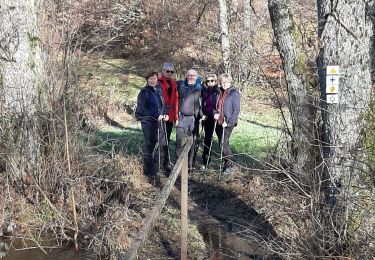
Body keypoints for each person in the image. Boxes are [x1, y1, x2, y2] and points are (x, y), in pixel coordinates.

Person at [135, 71, 169, 182]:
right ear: (147, 80)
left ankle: (157, 166)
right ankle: (149, 170)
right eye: (150, 79)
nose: (152, 80)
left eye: (154, 78)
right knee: (150, 144)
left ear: (156, 79)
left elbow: (162, 105)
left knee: (162, 143)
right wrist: (156, 115)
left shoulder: (158, 90)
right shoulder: (144, 92)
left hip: (159, 121)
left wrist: (165, 114)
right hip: (148, 122)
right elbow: (141, 109)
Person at [176, 69, 202, 170]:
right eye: (189, 75)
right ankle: (179, 167)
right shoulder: (181, 85)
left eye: (193, 76)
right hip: (181, 118)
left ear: (197, 77)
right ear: (186, 76)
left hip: (193, 119)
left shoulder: (200, 88)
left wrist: (202, 116)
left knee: (192, 142)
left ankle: (190, 164)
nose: (191, 77)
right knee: (179, 142)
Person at [215, 73, 240, 175]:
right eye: (222, 82)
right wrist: (215, 114)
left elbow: (236, 110)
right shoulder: (219, 92)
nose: (224, 84)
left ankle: (232, 165)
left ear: (230, 82)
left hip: (228, 122)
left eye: (226, 82)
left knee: (223, 144)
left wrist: (229, 123)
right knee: (223, 144)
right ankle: (227, 165)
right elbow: (216, 106)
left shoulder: (234, 93)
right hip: (219, 121)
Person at [158, 62, 179, 172]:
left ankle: (165, 161)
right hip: (161, 115)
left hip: (170, 116)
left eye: (172, 72)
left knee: (167, 139)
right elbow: (156, 100)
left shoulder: (173, 83)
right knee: (162, 140)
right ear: (163, 71)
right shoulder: (157, 82)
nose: (170, 73)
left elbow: (175, 101)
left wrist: (175, 117)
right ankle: (161, 162)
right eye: (168, 71)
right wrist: (160, 113)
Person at [200, 74, 221, 170]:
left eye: (212, 80)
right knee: (207, 140)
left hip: (216, 118)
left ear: (216, 81)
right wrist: (202, 114)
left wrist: (218, 113)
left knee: (222, 141)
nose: (210, 82)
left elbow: (222, 104)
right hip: (207, 118)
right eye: (208, 81)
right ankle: (205, 162)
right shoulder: (204, 91)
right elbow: (201, 104)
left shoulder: (219, 91)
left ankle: (226, 164)